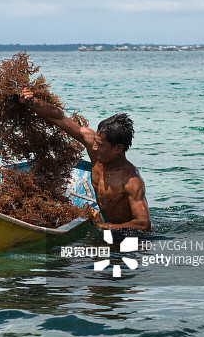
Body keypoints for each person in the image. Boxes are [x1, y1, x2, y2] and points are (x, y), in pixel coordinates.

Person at [17, 89, 151, 231]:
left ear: (118, 148)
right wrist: (32, 102)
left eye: (100, 145)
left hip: (129, 238)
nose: (93, 148)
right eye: (95, 141)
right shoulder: (95, 147)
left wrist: (102, 226)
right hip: (106, 228)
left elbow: (143, 224)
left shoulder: (131, 181)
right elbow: (59, 117)